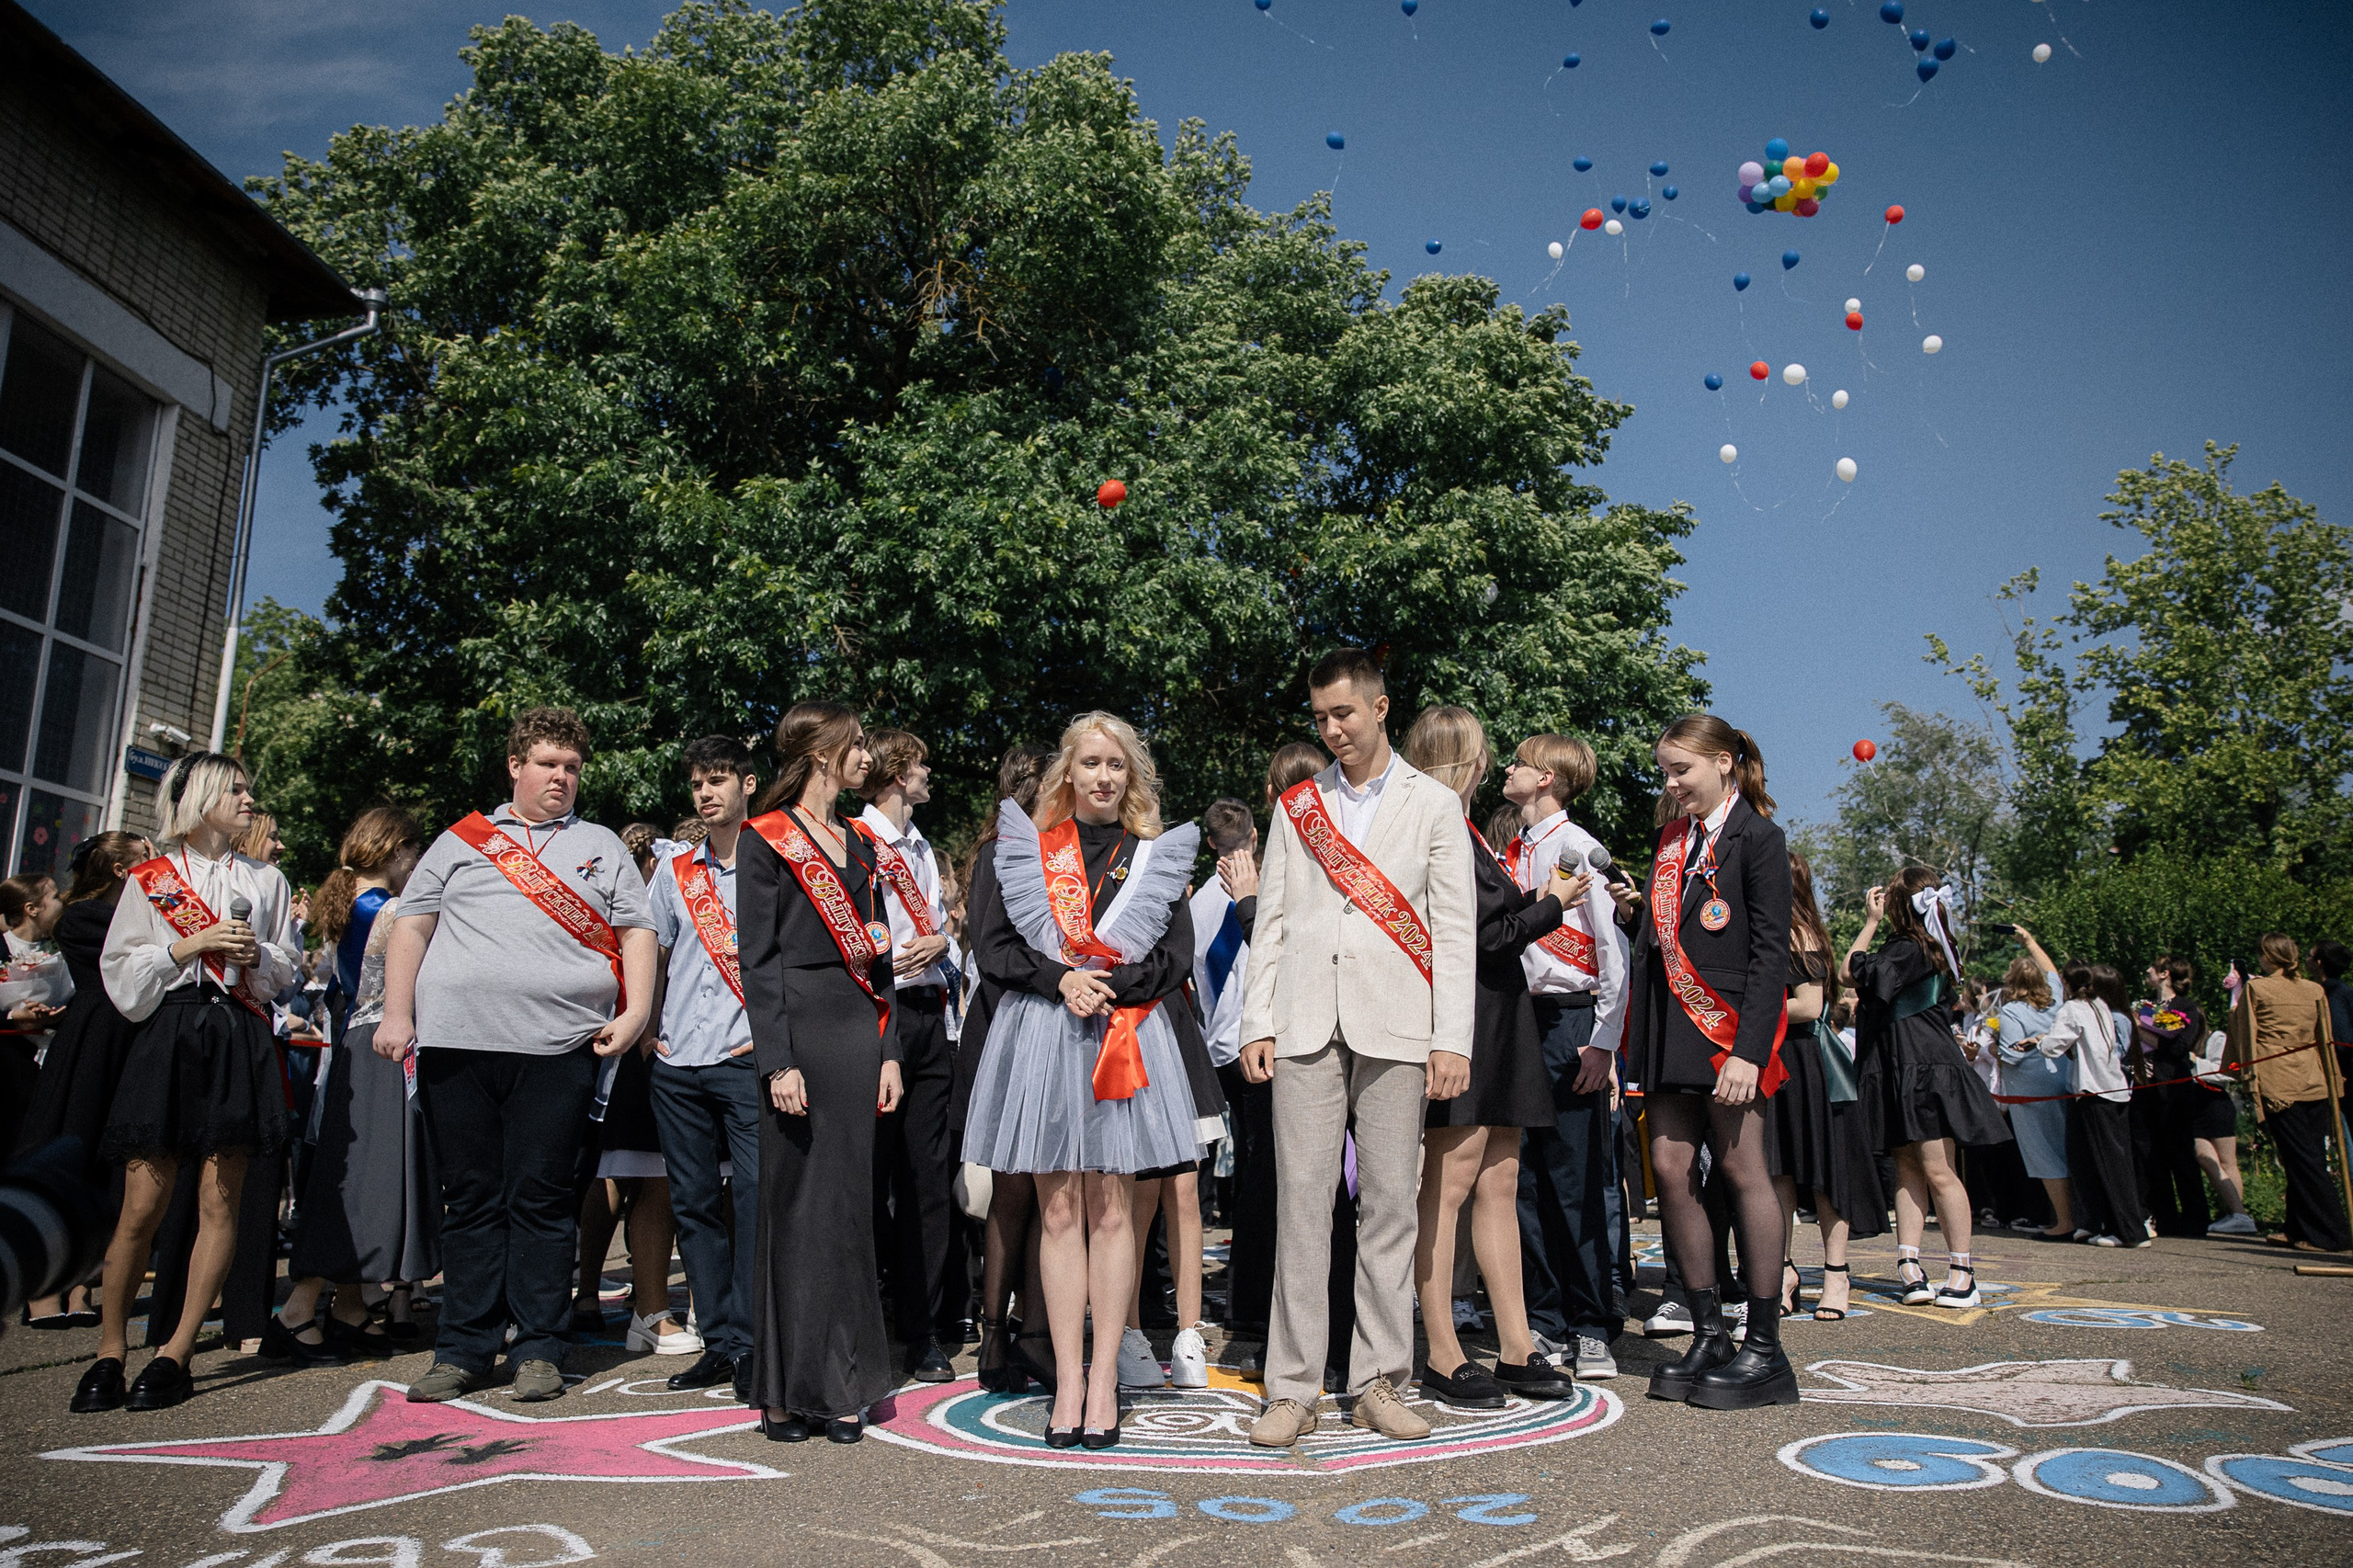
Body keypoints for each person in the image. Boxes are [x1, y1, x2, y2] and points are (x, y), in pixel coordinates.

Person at [377, 708, 659, 1404]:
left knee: (542, 1199)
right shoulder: (461, 840)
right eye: (547, 764)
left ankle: (539, 1347)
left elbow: (638, 932)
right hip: (457, 1044)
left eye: (571, 766)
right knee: (470, 1199)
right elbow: (411, 927)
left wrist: (636, 1012)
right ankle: (463, 1348)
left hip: (558, 1048)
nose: (561, 777)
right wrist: (396, 1012)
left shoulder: (601, 845)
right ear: (515, 766)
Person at [1239, 647, 1477, 1448]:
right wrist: (1256, 1022)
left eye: (1343, 713)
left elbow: (1453, 931)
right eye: (1319, 719)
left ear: (1380, 708)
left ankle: (1379, 1380)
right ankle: (1292, 1388)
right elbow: (1269, 921)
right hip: (1304, 1023)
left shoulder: (1434, 805)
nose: (1331, 729)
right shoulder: (1296, 806)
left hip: (1400, 1025)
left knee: (1389, 1210)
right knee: (1301, 1208)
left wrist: (1453, 1037)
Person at [963, 710, 1217, 1448]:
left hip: (1126, 1035)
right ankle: (1066, 1378)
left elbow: (1175, 956)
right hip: (1046, 1034)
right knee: (1060, 1210)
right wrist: (1061, 981)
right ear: (1065, 774)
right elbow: (994, 946)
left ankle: (1104, 1376)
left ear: (1129, 776)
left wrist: (1113, 988)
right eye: (1090, 764)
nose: (1103, 777)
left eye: (1116, 765)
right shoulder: (1027, 850)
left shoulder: (1153, 855)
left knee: (1112, 1209)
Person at [72, 755, 299, 1413]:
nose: (248, 798)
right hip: (169, 1033)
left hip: (236, 1031)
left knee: (219, 1201)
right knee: (142, 1202)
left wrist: (258, 955)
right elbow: (123, 972)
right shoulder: (154, 879)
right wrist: (188, 944)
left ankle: (177, 1351)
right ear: (199, 798)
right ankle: (110, 1350)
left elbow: (282, 966)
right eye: (234, 788)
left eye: (248, 787)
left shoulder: (268, 880)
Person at [1405, 708, 1586, 1407]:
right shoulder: (1432, 825)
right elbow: (1481, 936)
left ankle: (1517, 1345)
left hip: (1503, 1015)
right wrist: (1553, 904)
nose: (1492, 763)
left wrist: (1540, 905)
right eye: (1484, 753)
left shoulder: (1471, 829)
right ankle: (1443, 1350)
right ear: (1464, 759)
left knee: (1501, 1183)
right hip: (1466, 1017)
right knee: (1446, 1189)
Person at [739, 703, 904, 1442]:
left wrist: (891, 1047)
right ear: (819, 752)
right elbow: (758, 961)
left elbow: (881, 952)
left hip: (856, 1031)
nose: (865, 755)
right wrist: (777, 1059)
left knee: (847, 1212)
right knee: (796, 1211)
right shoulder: (765, 839)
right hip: (799, 1031)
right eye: (856, 744)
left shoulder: (859, 843)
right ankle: (784, 1389)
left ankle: (840, 1381)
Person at [1620, 716, 1796, 1410]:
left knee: (1740, 1169)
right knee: (1667, 1167)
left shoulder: (1760, 839)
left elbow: (1770, 954)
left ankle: (1764, 1347)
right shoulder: (1672, 840)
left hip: (1727, 1033)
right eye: (1665, 771)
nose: (1671, 784)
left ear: (1723, 763)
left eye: (1680, 771)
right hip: (1671, 1029)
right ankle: (1707, 1332)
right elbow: (1664, 940)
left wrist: (1750, 1052)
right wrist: (1635, 914)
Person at [272, 808, 437, 1365]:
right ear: (395, 851)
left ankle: (347, 1308)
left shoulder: (348, 902)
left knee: (358, 1174)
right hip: (380, 1049)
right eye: (414, 853)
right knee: (368, 1179)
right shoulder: (388, 909)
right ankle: (299, 1309)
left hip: (355, 1044)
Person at [1501, 732, 1632, 1383]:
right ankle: (1544, 1317)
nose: (1508, 769)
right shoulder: (1512, 850)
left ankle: (1591, 1322)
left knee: (1575, 1181)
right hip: (1521, 1021)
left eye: (1520, 763)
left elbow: (1613, 950)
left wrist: (1603, 1041)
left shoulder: (1577, 846)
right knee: (1521, 1181)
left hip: (1570, 1021)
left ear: (1547, 777)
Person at [644, 736, 765, 1398]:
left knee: (750, 1202)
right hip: (678, 1059)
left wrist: (774, 1040)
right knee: (692, 1206)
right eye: (697, 784)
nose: (705, 793)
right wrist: (646, 1028)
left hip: (743, 1057)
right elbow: (653, 950)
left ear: (748, 784)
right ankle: (717, 1342)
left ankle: (751, 1343)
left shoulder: (771, 861)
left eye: (718, 780)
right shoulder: (675, 868)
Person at [1846, 867, 2008, 1310]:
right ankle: (1911, 1267)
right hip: (1908, 1065)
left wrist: (1870, 923)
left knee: (1937, 1169)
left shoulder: (1908, 947)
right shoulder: (1935, 947)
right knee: (1909, 1168)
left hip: (1919, 1066)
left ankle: (1962, 1272)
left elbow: (1850, 971)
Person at [855, 729, 960, 1381]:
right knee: (869, 1183)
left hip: (927, 1018)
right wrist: (892, 955)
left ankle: (924, 1330)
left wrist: (940, 943)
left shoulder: (919, 846)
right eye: (920, 765)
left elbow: (940, 926)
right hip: (874, 1017)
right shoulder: (854, 842)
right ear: (896, 774)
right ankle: (872, 1319)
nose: (928, 774)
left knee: (929, 1181)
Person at [16, 833, 151, 1328]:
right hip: (94, 1040)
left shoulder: (132, 913)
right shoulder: (83, 916)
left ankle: (82, 1285)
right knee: (70, 1145)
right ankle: (43, 1291)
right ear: (119, 869)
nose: (155, 863)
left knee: (108, 1160)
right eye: (144, 857)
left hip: (129, 1036)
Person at [953, 743, 1055, 1394]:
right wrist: (1062, 979)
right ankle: (997, 1333)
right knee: (1012, 1191)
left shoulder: (1069, 852)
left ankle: (1041, 1333)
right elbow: (993, 950)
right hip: (1007, 1028)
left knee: (1054, 1192)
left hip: (1055, 1031)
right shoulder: (999, 852)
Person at [1167, 794, 1265, 1384]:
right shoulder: (1240, 897)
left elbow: (1195, 981)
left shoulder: (1201, 902)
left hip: (1218, 1049)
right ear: (1253, 837)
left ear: (1209, 845)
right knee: (1255, 1175)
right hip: (1253, 1047)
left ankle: (1231, 1297)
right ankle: (1248, 1297)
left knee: (1222, 1178)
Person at [1768, 851, 1884, 1324]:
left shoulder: (1800, 932)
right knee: (1776, 1173)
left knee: (1824, 1174)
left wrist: (1743, 1018)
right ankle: (1783, 1271)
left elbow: (1811, 1006)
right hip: (1770, 1058)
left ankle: (1837, 1273)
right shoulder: (1760, 930)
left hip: (1806, 1061)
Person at [2225, 934, 2350, 1254]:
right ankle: (2297, 1229)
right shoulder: (2314, 990)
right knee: (2308, 1155)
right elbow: (2326, 1039)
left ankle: (2332, 1233)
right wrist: (2334, 1080)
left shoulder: (2258, 988)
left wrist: (2245, 1075)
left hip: (2279, 1081)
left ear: (2268, 957)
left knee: (2303, 1160)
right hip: (2315, 1078)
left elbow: (2247, 1033)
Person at [2039, 962, 2147, 1247]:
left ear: (2066, 983)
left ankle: (2129, 1231)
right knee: (2084, 1159)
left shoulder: (2072, 1009)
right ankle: (2097, 1221)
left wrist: (2040, 1042)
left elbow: (2053, 1047)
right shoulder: (2099, 1004)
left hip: (2095, 1090)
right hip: (2105, 1088)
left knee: (2109, 1162)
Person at [1993, 937, 2075, 1240]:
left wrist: (1993, 1047)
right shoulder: (2057, 1000)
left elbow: (2012, 1054)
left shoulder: (2012, 1011)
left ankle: (2064, 1221)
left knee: (2046, 1155)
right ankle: (2075, 1216)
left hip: (2029, 1092)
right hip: (2061, 1082)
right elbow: (2051, 969)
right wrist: (2029, 940)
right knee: (2067, 1151)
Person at [2131, 955, 2211, 1237]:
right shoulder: (2146, 1007)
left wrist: (2140, 1029)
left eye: (2151, 968)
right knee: (2149, 1153)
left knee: (2180, 1152)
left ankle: (2196, 1218)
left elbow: (2179, 1049)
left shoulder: (2186, 1007)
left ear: (2165, 974)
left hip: (2173, 1088)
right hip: (2144, 1087)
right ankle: (2163, 1216)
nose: (2146, 972)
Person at [2190, 1026, 2255, 1235]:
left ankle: (2239, 1214)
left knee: (2226, 1161)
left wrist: (2195, 1061)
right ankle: (2237, 1213)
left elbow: (2226, 1071)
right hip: (2195, 1102)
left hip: (2214, 1102)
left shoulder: (2216, 1038)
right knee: (2206, 1157)